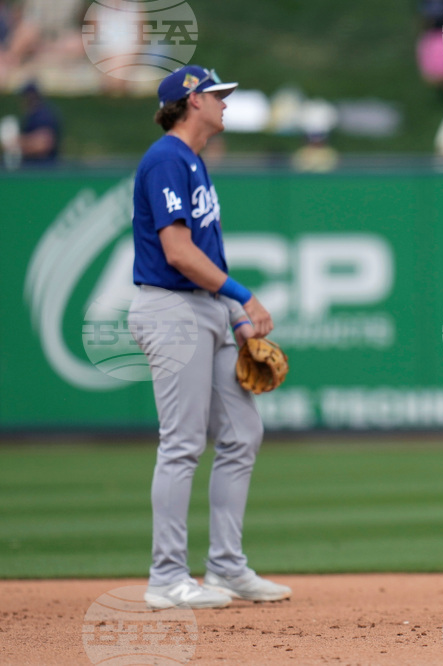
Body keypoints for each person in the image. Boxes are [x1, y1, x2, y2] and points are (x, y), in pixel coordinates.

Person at [128, 64, 291, 609]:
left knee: (242, 432)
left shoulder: (193, 162)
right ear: (191, 101)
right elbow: (177, 253)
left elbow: (207, 253)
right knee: (181, 443)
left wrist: (236, 317)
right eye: (217, 95)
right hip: (171, 309)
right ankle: (166, 577)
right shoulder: (166, 160)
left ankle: (225, 566)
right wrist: (244, 295)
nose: (225, 102)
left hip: (207, 311)